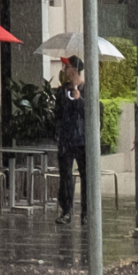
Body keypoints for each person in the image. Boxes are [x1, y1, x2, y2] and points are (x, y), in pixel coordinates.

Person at [54, 56, 88, 225]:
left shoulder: (87, 89)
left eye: (67, 67)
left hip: (83, 141)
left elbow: (93, 114)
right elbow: (57, 115)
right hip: (66, 141)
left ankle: (86, 212)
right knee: (65, 177)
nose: (64, 70)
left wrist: (79, 99)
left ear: (74, 70)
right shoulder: (61, 92)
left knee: (86, 177)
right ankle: (66, 210)